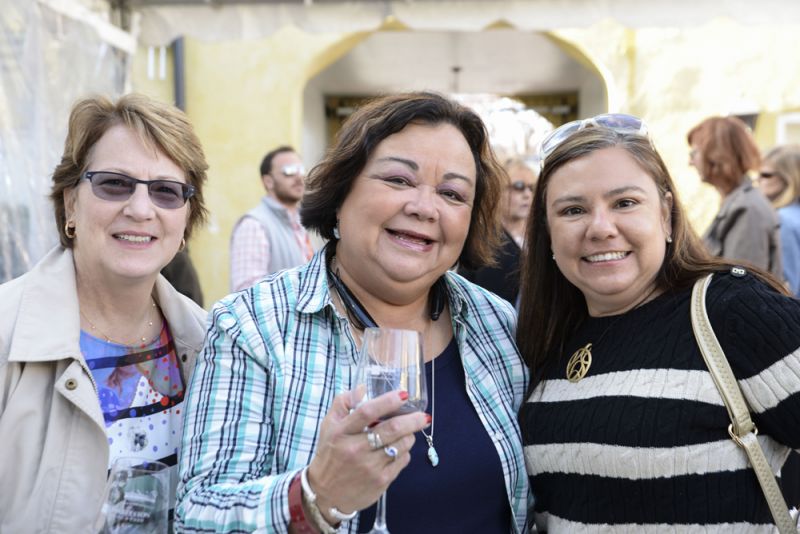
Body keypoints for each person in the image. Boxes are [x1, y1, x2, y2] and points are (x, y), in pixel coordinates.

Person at [177, 92, 529, 533]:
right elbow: (196, 517)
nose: (424, 206)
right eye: (399, 180)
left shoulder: (496, 324)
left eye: (452, 193)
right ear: (341, 194)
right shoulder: (252, 326)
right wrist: (315, 495)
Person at [517, 115, 800, 531]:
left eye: (625, 203)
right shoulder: (546, 338)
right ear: (548, 233)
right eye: (573, 210)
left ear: (665, 214)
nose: (600, 228)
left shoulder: (733, 312)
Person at [0, 94, 210, 531]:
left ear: (186, 221)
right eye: (114, 183)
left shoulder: (212, 342)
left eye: (166, 191)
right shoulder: (7, 331)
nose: (139, 209)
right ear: (71, 203)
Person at [688, 116, 782, 277]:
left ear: (717, 155)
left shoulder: (748, 209)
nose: (690, 162)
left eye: (694, 153)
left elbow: (743, 289)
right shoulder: (736, 202)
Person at [229, 145, 315, 292]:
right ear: (268, 181)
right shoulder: (254, 224)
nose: (299, 177)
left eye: (301, 170)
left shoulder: (299, 223)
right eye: (289, 171)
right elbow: (247, 292)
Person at [460, 157, 535, 305]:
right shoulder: (481, 241)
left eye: (532, 188)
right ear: (498, 191)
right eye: (518, 186)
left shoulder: (541, 237)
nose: (527, 194)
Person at [759, 144, 800, 296]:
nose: (758, 180)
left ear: (789, 177)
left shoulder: (784, 220)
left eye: (766, 175)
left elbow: (786, 288)